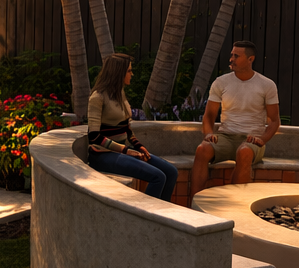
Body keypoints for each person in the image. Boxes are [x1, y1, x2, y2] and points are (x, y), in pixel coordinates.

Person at [86, 52, 179, 201]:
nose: (132, 74)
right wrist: (126, 150)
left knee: (171, 172)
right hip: (103, 155)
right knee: (158, 177)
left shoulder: (119, 94)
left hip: (123, 151)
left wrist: (138, 146)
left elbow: (127, 128)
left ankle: (162, 215)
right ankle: (147, 217)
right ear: (118, 73)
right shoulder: (97, 97)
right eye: (129, 71)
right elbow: (94, 137)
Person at [191, 40, 281, 194]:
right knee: (202, 149)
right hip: (225, 136)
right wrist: (208, 134)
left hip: (251, 140)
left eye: (236, 56)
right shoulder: (221, 82)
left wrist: (262, 139)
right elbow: (209, 115)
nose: (231, 59)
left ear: (250, 59)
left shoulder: (267, 85)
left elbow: (274, 121)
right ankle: (193, 204)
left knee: (244, 152)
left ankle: (235, 204)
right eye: (231, 55)